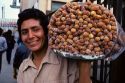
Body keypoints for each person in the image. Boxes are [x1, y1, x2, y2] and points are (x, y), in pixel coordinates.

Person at [17, 8, 91, 83]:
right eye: (24, 32)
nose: (30, 36)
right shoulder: (23, 68)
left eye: (35, 29)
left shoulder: (66, 61)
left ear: (46, 31)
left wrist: (85, 63)